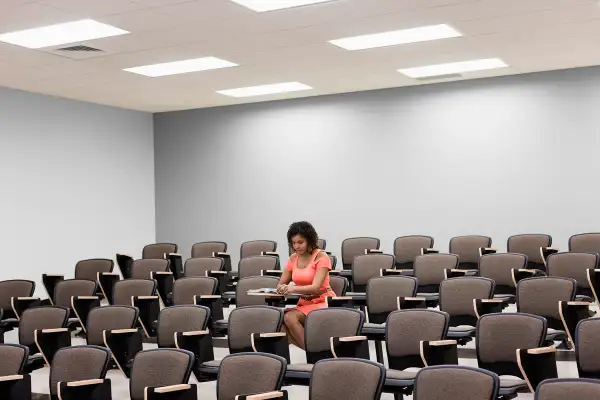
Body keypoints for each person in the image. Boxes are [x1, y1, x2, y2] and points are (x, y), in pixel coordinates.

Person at [277, 221, 334, 349]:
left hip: (322, 301)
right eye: (293, 243)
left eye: (300, 242)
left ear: (309, 240)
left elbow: (315, 287)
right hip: (304, 303)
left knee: (290, 317)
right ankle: (315, 351)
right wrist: (281, 288)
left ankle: (314, 353)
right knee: (277, 323)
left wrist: (291, 289)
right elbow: (280, 284)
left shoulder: (321, 257)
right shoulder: (292, 259)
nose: (297, 246)